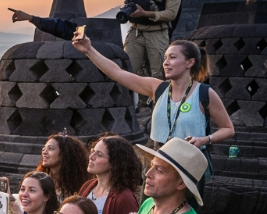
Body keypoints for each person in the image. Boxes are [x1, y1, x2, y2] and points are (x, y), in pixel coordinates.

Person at [73, 37, 235, 201]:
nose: (166, 63)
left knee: (183, 210)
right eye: (165, 58)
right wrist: (89, 50)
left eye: (172, 57)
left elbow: (228, 129)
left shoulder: (204, 93)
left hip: (188, 163)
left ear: (189, 62)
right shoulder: (158, 88)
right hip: (159, 158)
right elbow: (117, 73)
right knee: (150, 208)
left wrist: (204, 139)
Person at [136, 138, 209, 214]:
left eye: (159, 170)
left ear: (181, 183)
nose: (148, 174)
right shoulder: (148, 204)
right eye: (151, 166)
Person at [78, 135, 143, 214]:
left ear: (114, 163)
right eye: (93, 151)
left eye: (99, 154)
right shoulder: (87, 186)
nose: (91, 156)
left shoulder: (124, 198)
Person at [123, 0, 181, 79]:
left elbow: (171, 14)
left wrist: (144, 13)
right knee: (127, 69)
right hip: (136, 30)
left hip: (158, 32)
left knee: (158, 73)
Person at [37, 133, 90, 203]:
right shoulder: (40, 181)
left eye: (50, 149)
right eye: (44, 148)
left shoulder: (77, 189)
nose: (44, 152)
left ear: (63, 154)